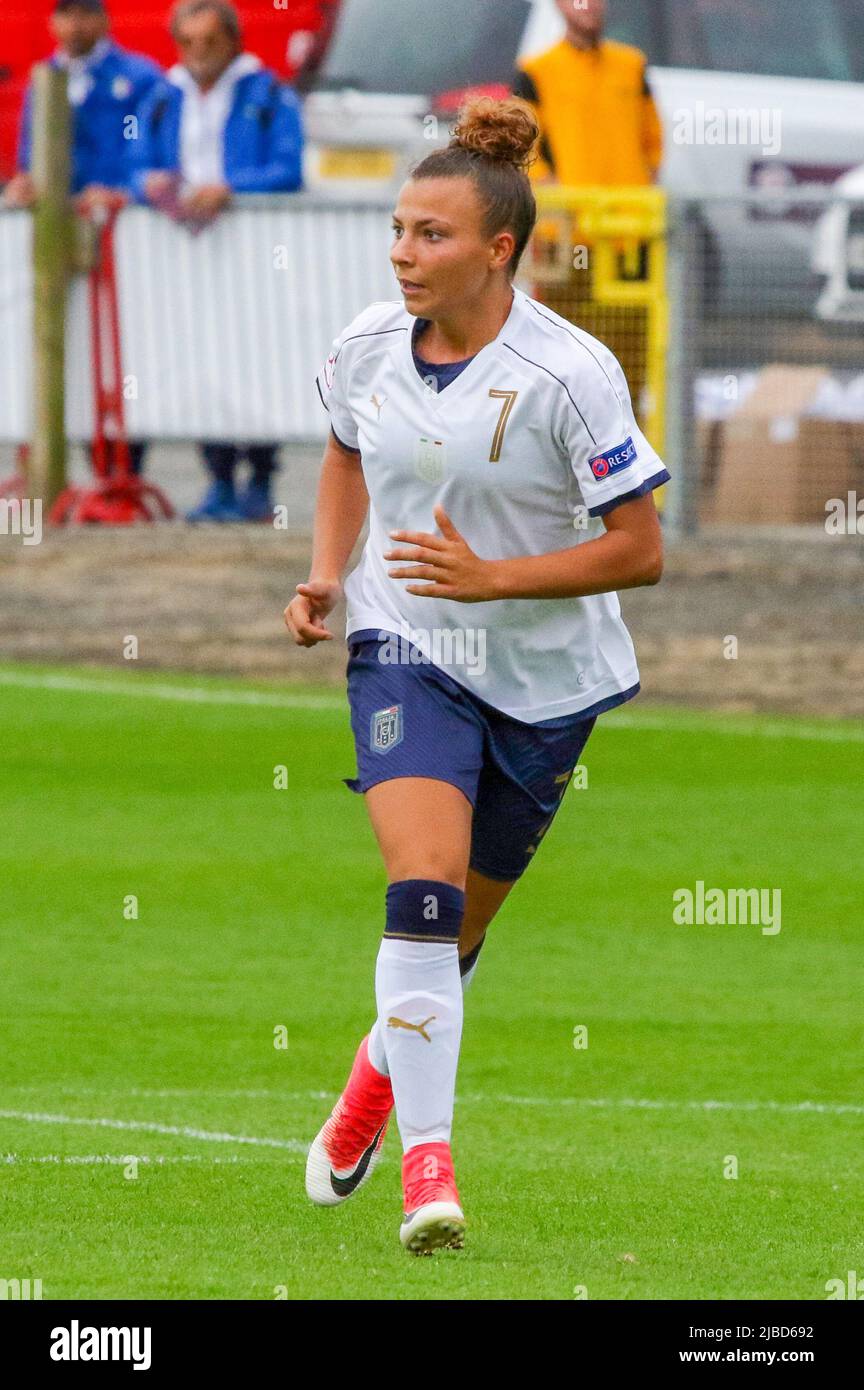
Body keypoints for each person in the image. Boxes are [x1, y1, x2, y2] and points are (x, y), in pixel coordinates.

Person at [284, 96, 668, 1254]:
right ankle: (429, 1170)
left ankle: (370, 1083)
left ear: (500, 251)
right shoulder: (362, 346)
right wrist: (329, 573)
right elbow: (347, 448)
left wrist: (494, 580)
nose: (405, 253)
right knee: (423, 887)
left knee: (452, 938)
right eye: (399, 230)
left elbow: (641, 551)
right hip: (406, 649)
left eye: (432, 236)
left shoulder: (572, 373)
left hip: (549, 684)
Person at [132, 0, 304, 522]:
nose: (198, 55)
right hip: (189, 252)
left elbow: (288, 167)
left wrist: (231, 190)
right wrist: (150, 185)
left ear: (233, 40)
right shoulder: (162, 96)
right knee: (202, 356)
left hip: (251, 253)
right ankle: (220, 479)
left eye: (209, 42)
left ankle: (261, 476)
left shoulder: (270, 93)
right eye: (188, 43)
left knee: (256, 356)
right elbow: (134, 163)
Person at [4, 0, 162, 478]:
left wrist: (119, 190)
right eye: (63, 14)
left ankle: (122, 467)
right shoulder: (44, 79)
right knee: (56, 343)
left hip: (121, 235)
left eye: (83, 13)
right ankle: (53, 469)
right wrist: (25, 183)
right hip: (57, 232)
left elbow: (148, 155)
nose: (72, 25)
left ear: (103, 19)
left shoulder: (139, 76)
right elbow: (32, 152)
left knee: (128, 347)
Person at [512, 0, 664, 417]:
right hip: (567, 238)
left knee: (632, 354)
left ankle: (627, 458)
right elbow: (525, 150)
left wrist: (641, 183)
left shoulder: (631, 66)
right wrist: (555, 190)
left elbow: (652, 140)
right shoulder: (537, 71)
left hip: (629, 237)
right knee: (564, 350)